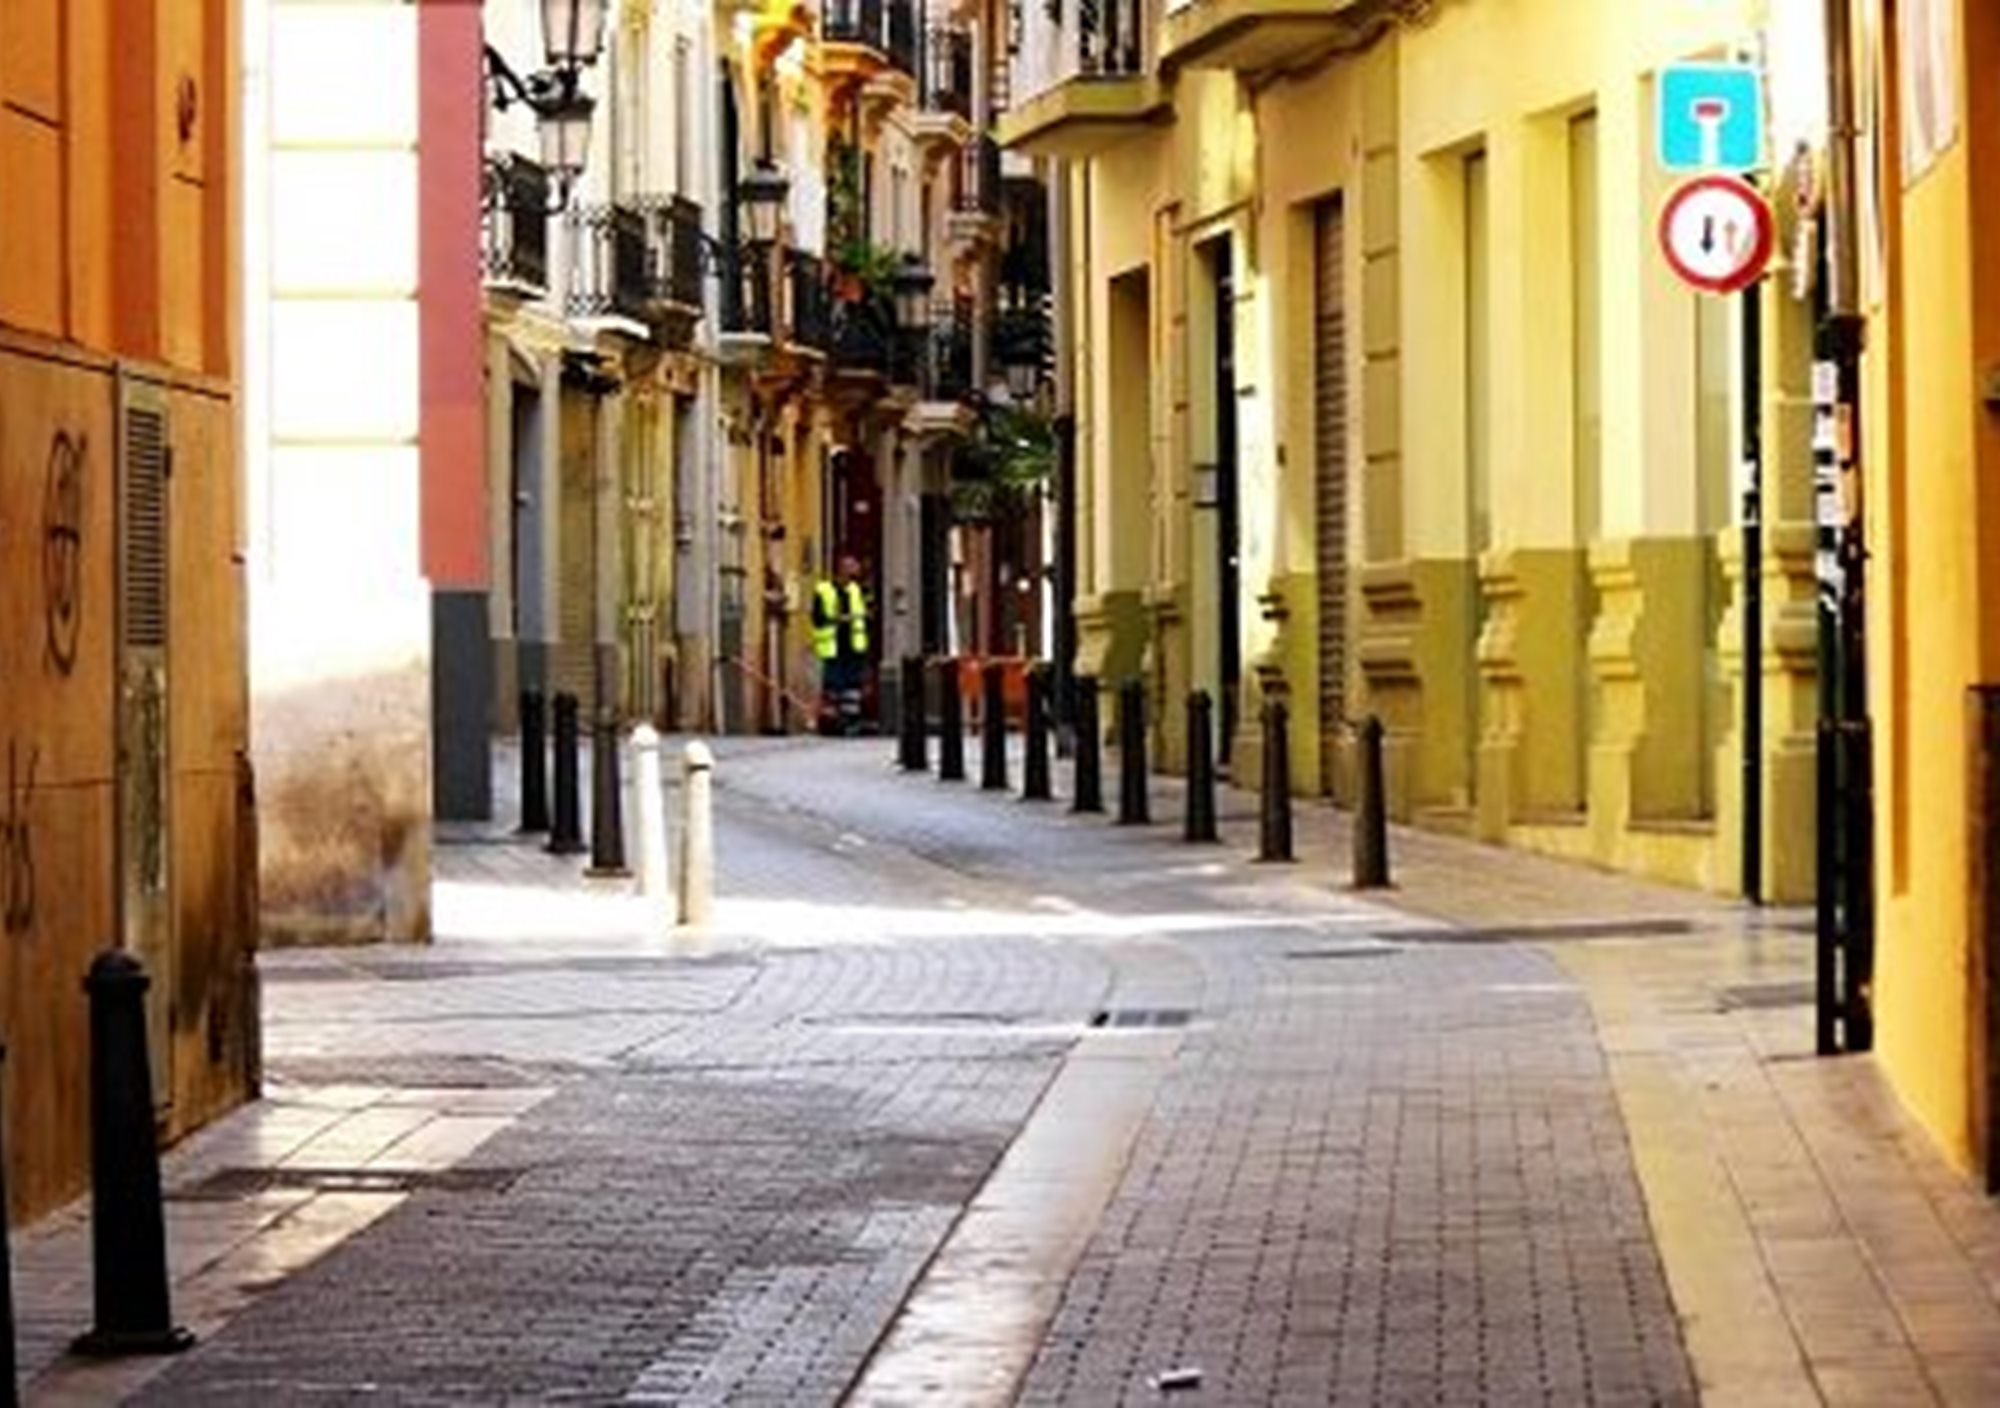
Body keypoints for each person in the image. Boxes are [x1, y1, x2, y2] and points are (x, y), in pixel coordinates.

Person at [811, 553, 870, 735]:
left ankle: (851, 723)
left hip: (853, 646)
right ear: (840, 569)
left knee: (852, 689)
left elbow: (865, 616)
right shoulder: (824, 590)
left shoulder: (857, 590)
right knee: (833, 688)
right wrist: (838, 619)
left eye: (855, 566)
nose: (854, 570)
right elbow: (817, 618)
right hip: (832, 647)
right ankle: (832, 724)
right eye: (850, 566)